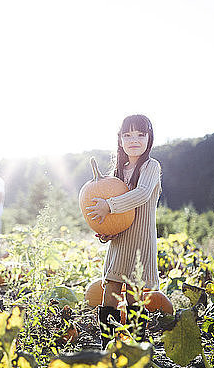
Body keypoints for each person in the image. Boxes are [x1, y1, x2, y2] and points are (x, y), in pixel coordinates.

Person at [85, 114, 162, 349]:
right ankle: (107, 345)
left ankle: (138, 346)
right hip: (120, 242)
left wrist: (108, 206)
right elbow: (116, 216)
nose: (134, 140)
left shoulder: (151, 166)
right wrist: (107, 231)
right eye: (127, 135)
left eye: (140, 134)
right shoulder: (118, 172)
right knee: (110, 290)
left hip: (140, 241)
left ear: (149, 139)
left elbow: (141, 194)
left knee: (133, 298)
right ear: (120, 140)